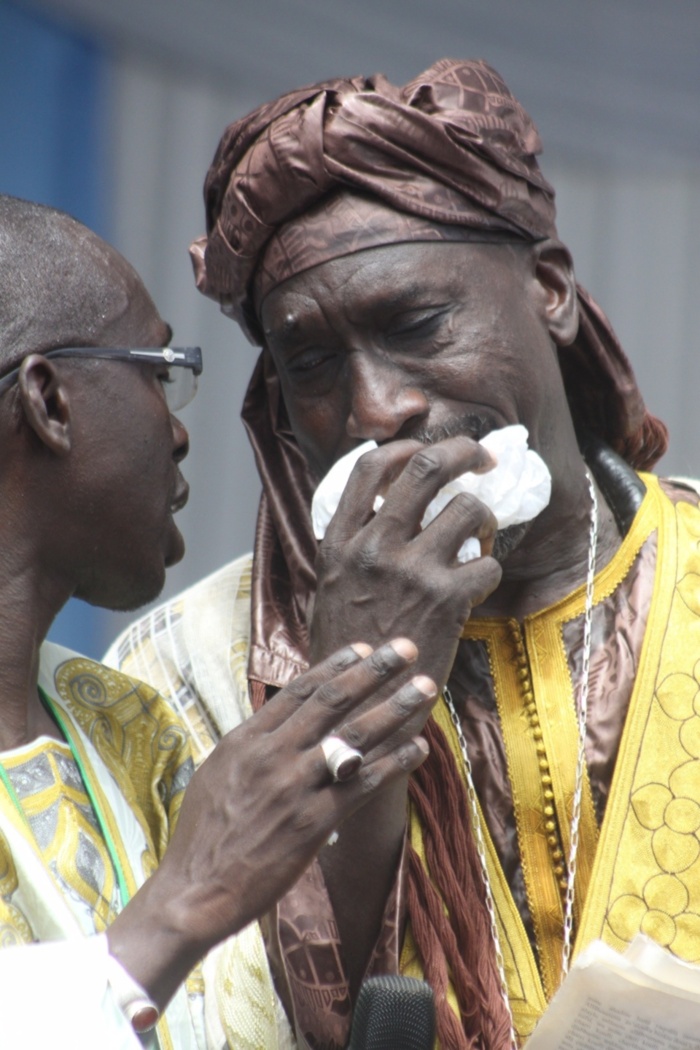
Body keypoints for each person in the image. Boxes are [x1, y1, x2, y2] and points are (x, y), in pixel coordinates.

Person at [108, 59, 700, 1049]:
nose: (376, 410)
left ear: (549, 290)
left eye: (415, 324)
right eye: (312, 365)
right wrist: (351, 684)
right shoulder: (176, 675)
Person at [0, 194, 438, 1049]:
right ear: (49, 402)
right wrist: (179, 907)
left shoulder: (123, 723)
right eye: (156, 372)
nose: (178, 431)